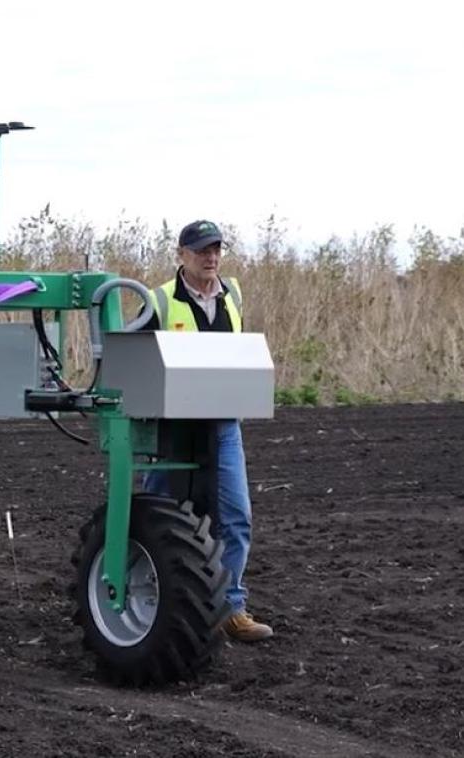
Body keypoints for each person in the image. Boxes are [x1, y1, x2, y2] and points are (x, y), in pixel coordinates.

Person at [141, 219, 273, 642]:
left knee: (236, 518)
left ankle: (231, 609)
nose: (211, 257)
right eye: (201, 250)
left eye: (216, 249)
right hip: (173, 427)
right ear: (181, 254)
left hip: (222, 422)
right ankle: (160, 604)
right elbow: (139, 360)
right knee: (159, 514)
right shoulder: (158, 299)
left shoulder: (231, 294)